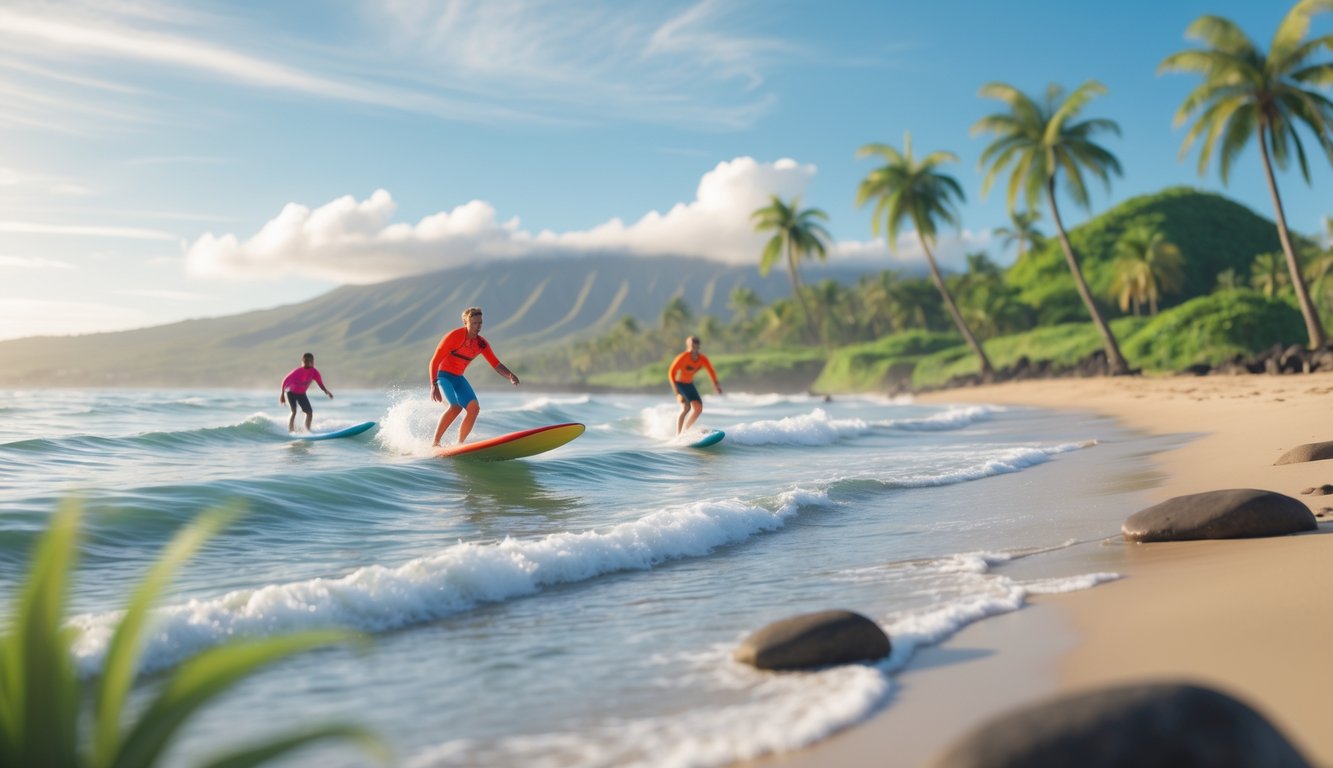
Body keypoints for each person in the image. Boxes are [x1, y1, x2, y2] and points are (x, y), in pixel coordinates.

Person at [429, 306, 520, 446]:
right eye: (474, 323)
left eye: (480, 323)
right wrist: (433, 384)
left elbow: (495, 364)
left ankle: (459, 444)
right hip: (444, 376)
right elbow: (434, 361)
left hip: (458, 378)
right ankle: (435, 443)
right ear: (466, 323)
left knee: (474, 409)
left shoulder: (481, 343)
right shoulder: (454, 336)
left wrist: (510, 375)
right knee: (455, 407)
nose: (478, 326)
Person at [668, 335, 722, 435]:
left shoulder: (702, 359)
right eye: (692, 346)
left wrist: (716, 385)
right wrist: (676, 392)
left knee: (698, 409)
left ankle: (686, 430)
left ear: (699, 347)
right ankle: (678, 435)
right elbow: (671, 373)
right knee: (686, 407)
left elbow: (711, 371)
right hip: (679, 385)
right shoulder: (683, 357)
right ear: (688, 346)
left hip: (689, 384)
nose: (694, 349)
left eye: (696, 347)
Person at [279, 352, 333, 432]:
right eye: (306, 361)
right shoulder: (297, 371)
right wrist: (282, 394)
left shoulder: (314, 372)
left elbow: (320, 383)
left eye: (310, 361)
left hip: (301, 394)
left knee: (309, 413)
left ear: (313, 361)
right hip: (291, 392)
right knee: (294, 411)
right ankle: (291, 430)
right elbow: (285, 381)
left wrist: (326, 391)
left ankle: (307, 430)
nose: (308, 362)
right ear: (303, 361)